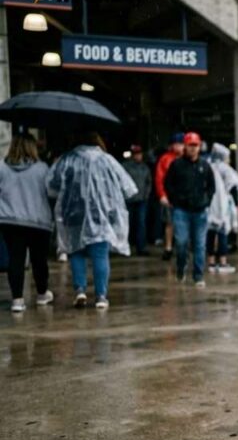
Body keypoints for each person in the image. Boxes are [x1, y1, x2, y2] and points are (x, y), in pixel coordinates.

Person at [47, 131, 137, 309]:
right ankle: (101, 295)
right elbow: (128, 187)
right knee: (100, 255)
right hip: (100, 215)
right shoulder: (106, 160)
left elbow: (52, 185)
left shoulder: (67, 159)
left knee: (76, 251)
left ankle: (80, 290)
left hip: (73, 213)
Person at [0, 133, 54, 312]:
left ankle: (17, 299)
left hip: (10, 221)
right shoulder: (42, 168)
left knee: (15, 259)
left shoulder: (2, 167)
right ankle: (41, 293)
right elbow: (51, 192)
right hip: (38, 222)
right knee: (39, 260)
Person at [164, 132, 216, 287]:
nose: (193, 149)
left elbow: (211, 187)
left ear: (199, 147)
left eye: (196, 146)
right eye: (190, 145)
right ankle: (181, 268)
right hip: (181, 211)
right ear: (185, 146)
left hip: (200, 211)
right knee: (181, 242)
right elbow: (168, 184)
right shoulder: (177, 165)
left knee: (200, 244)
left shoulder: (205, 166)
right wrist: (174, 200)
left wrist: (206, 201)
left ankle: (198, 275)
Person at [206, 143, 238, 274]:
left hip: (209, 204)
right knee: (223, 231)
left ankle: (211, 261)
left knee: (210, 232)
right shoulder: (226, 169)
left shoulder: (208, 167)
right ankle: (222, 261)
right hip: (223, 204)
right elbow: (234, 186)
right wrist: (237, 204)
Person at [155, 133, 184, 260]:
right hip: (170, 197)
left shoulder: (188, 159)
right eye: (177, 144)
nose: (179, 147)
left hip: (185, 197)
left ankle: (182, 247)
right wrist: (162, 195)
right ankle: (168, 247)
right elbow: (159, 178)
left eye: (181, 144)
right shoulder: (165, 159)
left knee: (184, 224)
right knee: (169, 223)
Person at [123, 144, 152, 256]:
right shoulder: (125, 166)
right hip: (128, 199)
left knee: (141, 223)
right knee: (127, 223)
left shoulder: (145, 168)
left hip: (141, 200)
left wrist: (146, 195)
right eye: (135, 154)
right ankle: (126, 246)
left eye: (139, 154)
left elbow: (149, 182)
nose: (137, 156)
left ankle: (141, 247)